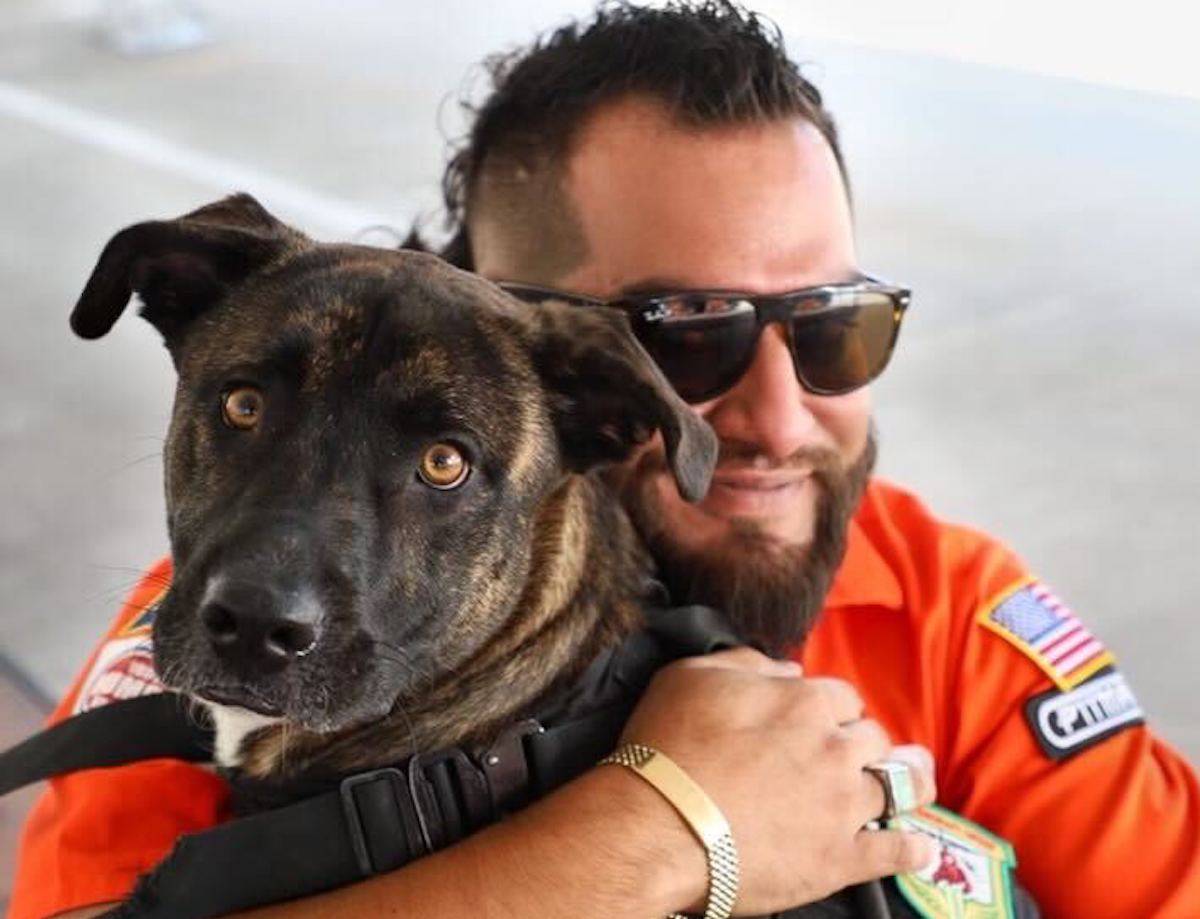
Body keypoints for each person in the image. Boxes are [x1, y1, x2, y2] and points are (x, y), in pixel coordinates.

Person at [10, 3, 1199, 918]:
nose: (782, 417)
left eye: (838, 324)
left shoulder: (943, 600)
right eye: (688, 332)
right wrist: (658, 835)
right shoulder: (246, 617)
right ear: (533, 345)